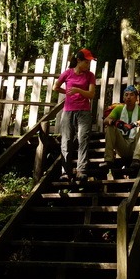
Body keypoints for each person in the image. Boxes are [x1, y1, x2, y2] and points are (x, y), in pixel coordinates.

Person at [53, 49, 96, 186]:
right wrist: (67, 92)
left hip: (84, 111)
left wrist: (78, 91)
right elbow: (56, 87)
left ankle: (81, 170)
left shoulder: (90, 75)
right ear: (78, 60)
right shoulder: (67, 73)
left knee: (83, 138)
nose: (88, 64)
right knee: (66, 140)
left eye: (89, 62)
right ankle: (65, 172)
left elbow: (91, 95)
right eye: (86, 62)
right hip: (68, 111)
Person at [103, 84, 140, 177]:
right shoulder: (119, 109)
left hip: (136, 145)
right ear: (123, 98)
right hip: (122, 145)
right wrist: (115, 123)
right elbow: (106, 120)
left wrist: (134, 124)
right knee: (109, 127)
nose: (128, 97)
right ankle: (108, 160)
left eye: (131, 95)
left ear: (136, 98)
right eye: (126, 95)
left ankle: (137, 159)